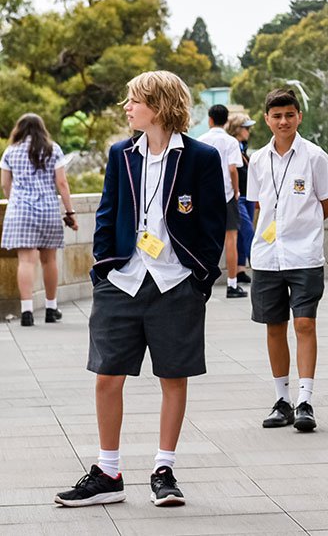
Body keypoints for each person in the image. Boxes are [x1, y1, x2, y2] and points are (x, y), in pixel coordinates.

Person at [54, 71, 226, 509]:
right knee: (107, 376)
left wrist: (200, 278)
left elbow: (211, 224)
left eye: (134, 100)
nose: (127, 107)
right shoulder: (121, 154)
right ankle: (108, 472)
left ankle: (163, 469)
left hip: (175, 282)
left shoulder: (201, 158)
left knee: (173, 376)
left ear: (160, 105)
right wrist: (102, 269)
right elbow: (108, 212)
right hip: (123, 280)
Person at [248, 89, 328, 433]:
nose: (283, 121)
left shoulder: (315, 156)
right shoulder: (258, 160)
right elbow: (258, 205)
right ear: (267, 119)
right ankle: (281, 400)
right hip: (267, 257)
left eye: (289, 115)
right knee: (274, 327)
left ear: (299, 116)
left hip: (304, 254)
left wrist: (302, 225)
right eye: (276, 116)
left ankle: (305, 400)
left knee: (304, 324)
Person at [1, 113, 77, 327]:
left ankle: (26, 312)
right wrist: (70, 212)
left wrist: (15, 200)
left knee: (25, 261)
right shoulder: (53, 149)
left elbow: (5, 184)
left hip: (20, 211)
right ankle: (51, 308)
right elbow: (62, 183)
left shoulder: (11, 151)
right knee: (49, 260)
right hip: (48, 210)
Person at [199, 104, 246, 298]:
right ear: (226, 121)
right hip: (226, 195)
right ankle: (232, 284)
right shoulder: (230, 142)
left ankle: (201, 282)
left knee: (203, 241)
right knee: (231, 240)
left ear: (210, 120)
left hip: (205, 197)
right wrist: (236, 191)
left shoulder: (200, 141)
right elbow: (233, 169)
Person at [228, 113, 256, 286]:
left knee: (242, 234)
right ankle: (260, 266)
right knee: (247, 232)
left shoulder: (243, 147)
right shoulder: (232, 146)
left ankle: (240, 270)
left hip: (248, 194)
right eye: (246, 128)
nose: (248, 131)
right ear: (237, 129)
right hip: (239, 195)